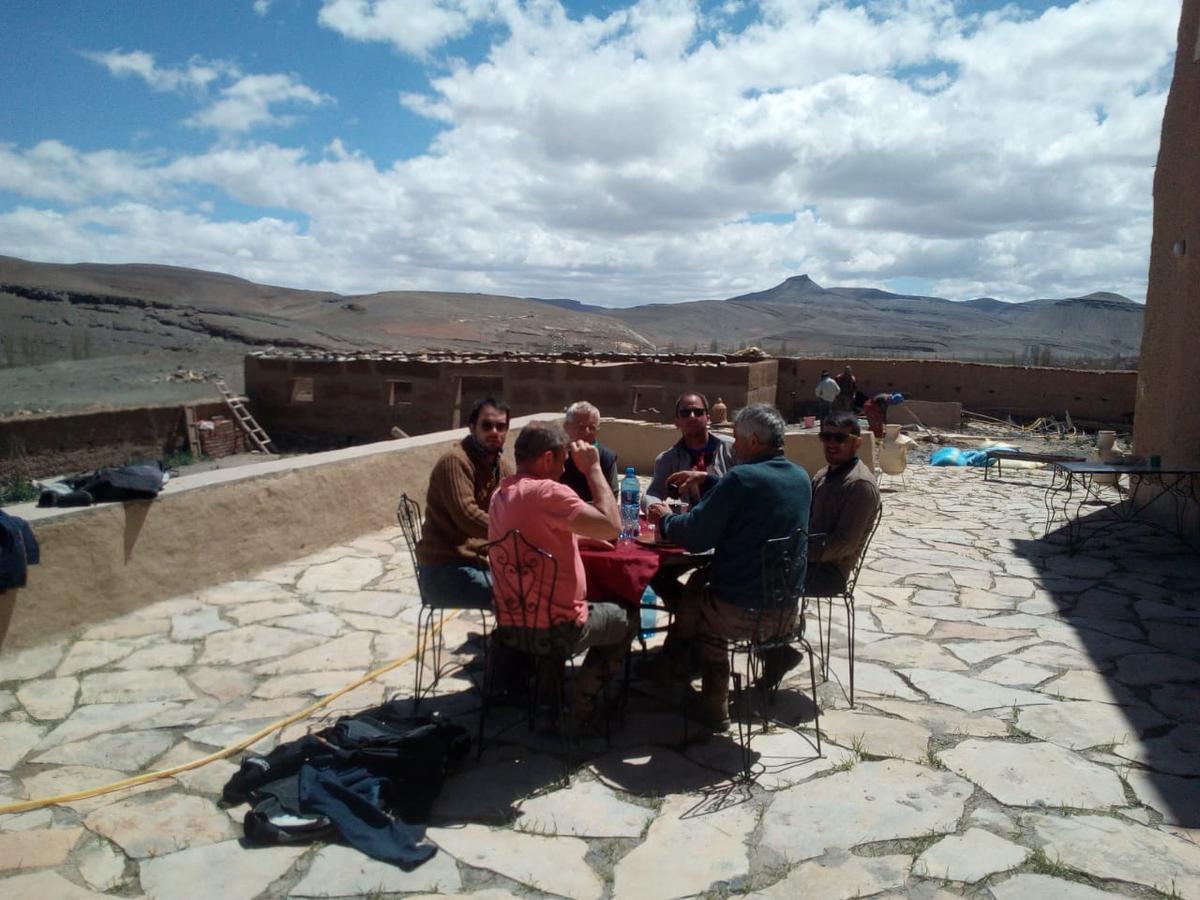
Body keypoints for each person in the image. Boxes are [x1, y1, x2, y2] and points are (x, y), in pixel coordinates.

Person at [647, 404, 812, 730]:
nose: (732, 446)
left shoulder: (741, 478)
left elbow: (694, 535)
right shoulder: (800, 477)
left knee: (698, 604)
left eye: (736, 439)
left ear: (753, 440)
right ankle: (672, 664)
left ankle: (709, 700)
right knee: (699, 584)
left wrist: (666, 519)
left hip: (743, 613)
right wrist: (709, 480)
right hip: (786, 610)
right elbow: (754, 497)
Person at [488, 421, 633, 724]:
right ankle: (582, 708)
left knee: (556, 608)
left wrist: (577, 536)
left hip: (512, 625)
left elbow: (529, 536)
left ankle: (547, 698)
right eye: (563, 462)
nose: (565, 470)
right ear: (547, 458)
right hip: (557, 629)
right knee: (626, 616)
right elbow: (612, 526)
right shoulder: (548, 492)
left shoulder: (502, 494)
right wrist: (593, 469)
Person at [415, 396, 514, 609]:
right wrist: (514, 531)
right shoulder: (456, 462)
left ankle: (508, 638)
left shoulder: (501, 466)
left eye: (500, 426)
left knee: (536, 583)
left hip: (479, 561)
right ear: (472, 427)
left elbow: (515, 504)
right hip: (443, 570)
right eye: (487, 426)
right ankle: (509, 641)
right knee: (516, 596)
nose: (494, 432)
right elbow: (467, 515)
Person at [806, 412, 882, 596]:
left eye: (840, 438)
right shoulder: (823, 475)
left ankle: (781, 623)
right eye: (826, 437)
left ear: (857, 443)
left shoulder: (859, 485)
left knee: (758, 576)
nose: (832, 443)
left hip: (830, 573)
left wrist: (801, 554)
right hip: (810, 562)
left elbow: (845, 543)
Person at [644, 392, 735, 507]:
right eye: (685, 413)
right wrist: (654, 506)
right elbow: (653, 493)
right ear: (677, 422)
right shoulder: (668, 458)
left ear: (708, 418)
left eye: (698, 412)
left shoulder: (731, 448)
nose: (692, 417)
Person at [558, 401, 619, 502]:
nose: (587, 432)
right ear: (566, 427)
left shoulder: (606, 457)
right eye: (581, 427)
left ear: (598, 431)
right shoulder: (555, 456)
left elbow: (612, 497)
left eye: (592, 428)